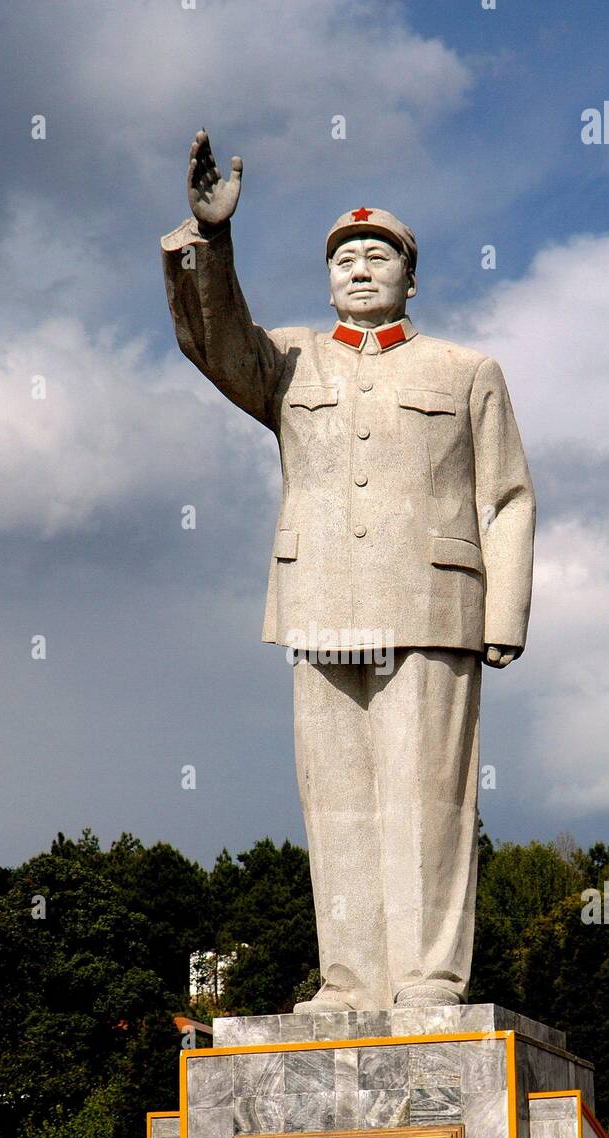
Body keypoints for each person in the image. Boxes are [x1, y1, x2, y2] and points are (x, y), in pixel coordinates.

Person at [161, 131, 535, 1013]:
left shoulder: (466, 370)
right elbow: (212, 341)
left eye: (379, 256)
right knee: (335, 806)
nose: (360, 269)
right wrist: (213, 243)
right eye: (345, 258)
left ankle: (428, 975)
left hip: (435, 603)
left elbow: (510, 495)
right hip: (321, 601)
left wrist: (505, 614)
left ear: (412, 276)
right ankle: (351, 979)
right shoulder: (288, 359)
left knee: (428, 800)